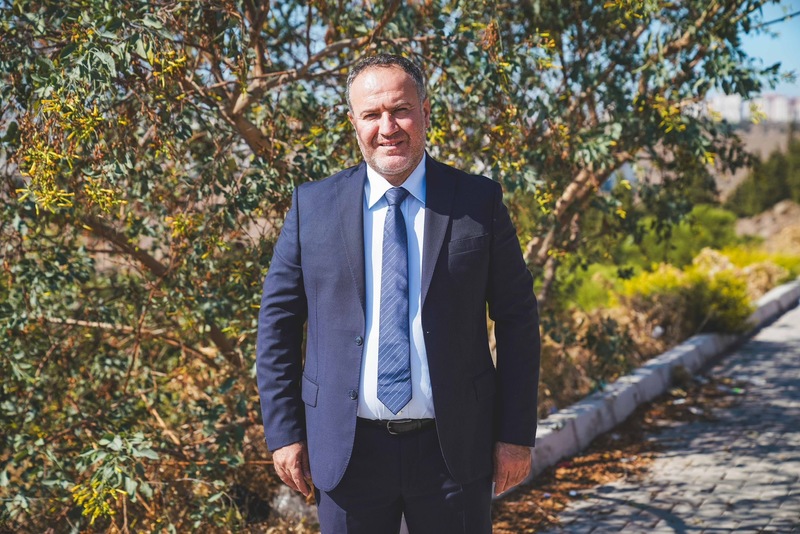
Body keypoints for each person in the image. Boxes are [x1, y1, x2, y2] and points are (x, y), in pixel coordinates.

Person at [256, 53, 541, 533]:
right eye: (371, 114)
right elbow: (277, 323)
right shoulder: (312, 206)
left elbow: (518, 319)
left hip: (454, 451)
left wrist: (515, 434)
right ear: (353, 122)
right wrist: (284, 433)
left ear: (425, 112)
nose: (387, 128)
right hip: (346, 453)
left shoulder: (478, 201)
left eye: (401, 110)